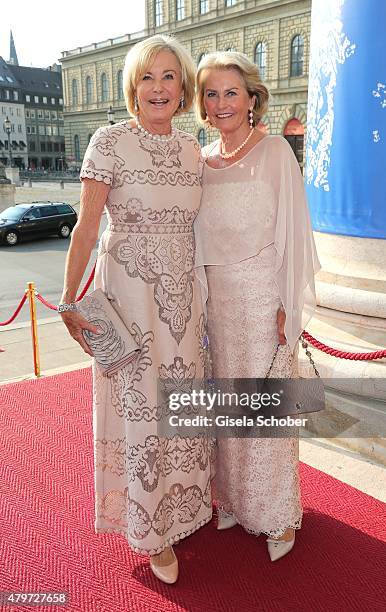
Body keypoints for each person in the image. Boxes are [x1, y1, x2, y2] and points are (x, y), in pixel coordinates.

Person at [59, 34, 212, 585]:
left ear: (183, 88)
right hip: (128, 300)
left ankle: (187, 505)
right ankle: (150, 528)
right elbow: (86, 226)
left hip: (183, 302)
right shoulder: (109, 141)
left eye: (169, 77)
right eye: (147, 77)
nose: (158, 87)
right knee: (141, 407)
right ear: (132, 86)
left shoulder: (194, 148)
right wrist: (68, 296)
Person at [194, 51, 320, 561]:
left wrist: (288, 302)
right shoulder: (199, 161)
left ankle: (275, 514)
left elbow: (294, 230)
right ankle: (236, 500)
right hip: (217, 303)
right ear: (201, 102)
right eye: (211, 93)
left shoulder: (274, 153)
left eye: (231, 92)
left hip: (265, 296)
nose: (221, 102)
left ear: (251, 98)